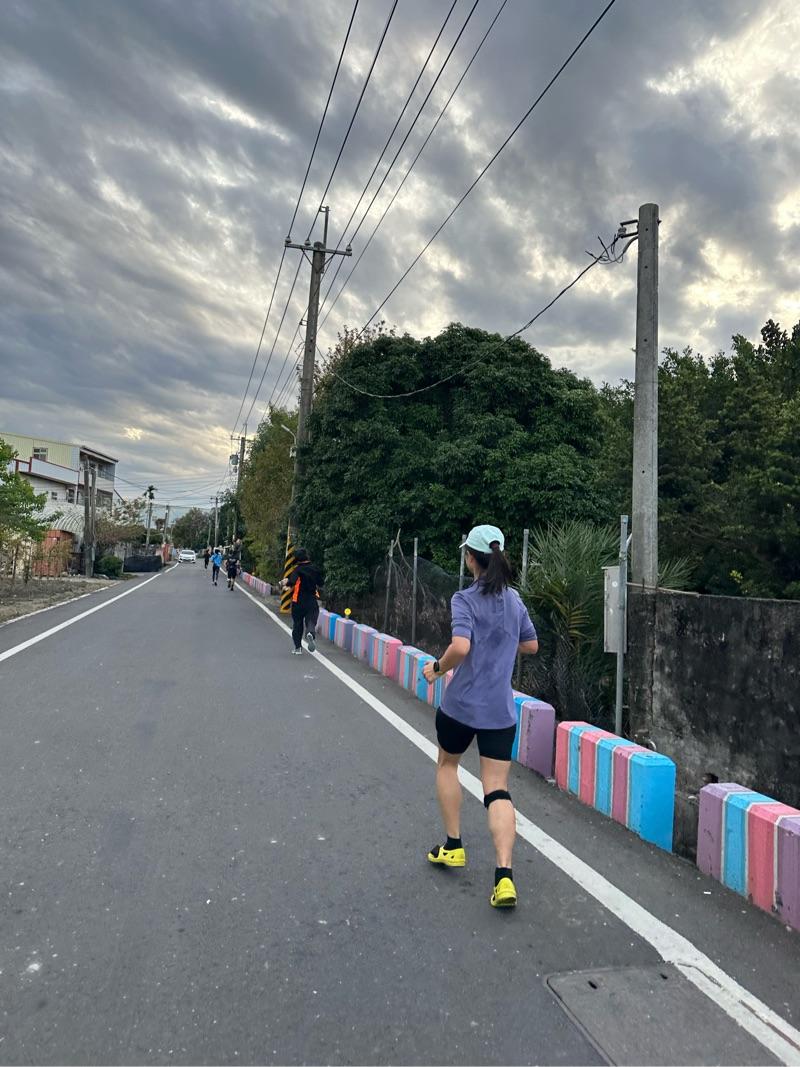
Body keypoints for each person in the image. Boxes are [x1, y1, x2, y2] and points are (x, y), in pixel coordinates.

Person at [421, 524, 539, 909]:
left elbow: (461, 646)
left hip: (461, 707)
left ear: (470, 558)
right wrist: (502, 644)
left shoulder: (464, 599)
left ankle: (453, 845)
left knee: (447, 765)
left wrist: (437, 668)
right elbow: (531, 645)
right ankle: (504, 877)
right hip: (500, 712)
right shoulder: (515, 601)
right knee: (497, 789)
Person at [279, 548, 323, 655]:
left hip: (297, 601)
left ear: (297, 559)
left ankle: (298, 648)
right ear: (307, 556)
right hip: (311, 600)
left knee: (297, 624)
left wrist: (285, 583)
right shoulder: (315, 569)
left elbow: (292, 582)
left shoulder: (297, 570)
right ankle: (310, 633)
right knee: (311, 619)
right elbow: (321, 583)